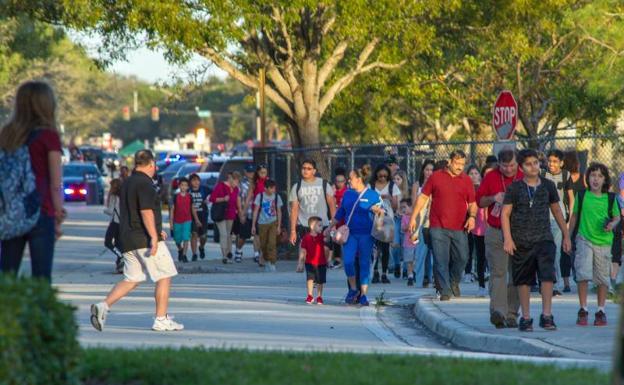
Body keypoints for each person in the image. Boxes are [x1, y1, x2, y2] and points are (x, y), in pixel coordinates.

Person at [90, 150, 183, 332]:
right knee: (165, 275)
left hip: (127, 238)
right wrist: (154, 237)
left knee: (132, 278)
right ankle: (161, 319)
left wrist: (157, 230)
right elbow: (145, 211)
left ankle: (104, 305)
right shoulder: (145, 184)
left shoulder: (128, 183)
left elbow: (134, 211)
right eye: (155, 165)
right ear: (150, 164)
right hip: (144, 239)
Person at [0, 81, 66, 282]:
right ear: (47, 104)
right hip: (40, 211)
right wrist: (57, 213)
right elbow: (56, 183)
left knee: (7, 274)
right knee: (41, 278)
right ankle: (40, 313)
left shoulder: (7, 134)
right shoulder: (49, 136)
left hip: (11, 210)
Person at [501, 149, 571, 332]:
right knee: (523, 281)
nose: (534, 166)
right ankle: (525, 317)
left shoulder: (548, 185)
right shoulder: (514, 188)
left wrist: (566, 234)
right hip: (521, 241)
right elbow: (505, 213)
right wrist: (508, 239)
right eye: (529, 164)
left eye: (536, 163)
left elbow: (557, 211)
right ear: (522, 168)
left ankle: (546, 315)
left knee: (547, 276)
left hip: (544, 239)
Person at [409, 150, 477, 301]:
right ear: (449, 161)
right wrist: (413, 218)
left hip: (459, 227)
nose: (460, 167)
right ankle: (445, 291)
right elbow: (422, 198)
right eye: (457, 163)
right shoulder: (436, 177)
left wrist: (472, 217)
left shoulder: (466, 180)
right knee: (441, 259)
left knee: (462, 257)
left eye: (462, 164)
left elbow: (472, 204)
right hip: (438, 226)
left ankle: (453, 281)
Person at [568, 163, 620, 326]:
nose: (596, 179)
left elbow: (617, 217)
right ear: (587, 178)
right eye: (593, 175)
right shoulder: (582, 195)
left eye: (600, 176)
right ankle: (583, 309)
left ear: (605, 180)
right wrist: (568, 237)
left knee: (602, 278)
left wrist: (612, 224)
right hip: (584, 239)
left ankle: (600, 310)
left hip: (604, 242)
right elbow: (574, 216)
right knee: (582, 274)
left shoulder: (610, 198)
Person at [476, 149, 522, 328]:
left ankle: (512, 313)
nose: (509, 170)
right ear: (498, 164)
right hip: (495, 230)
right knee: (498, 272)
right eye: (505, 166)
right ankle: (498, 312)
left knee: (516, 274)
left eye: (512, 165)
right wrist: (494, 198)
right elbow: (479, 201)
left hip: (518, 231)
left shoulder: (524, 175)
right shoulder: (491, 177)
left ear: (517, 163)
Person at [329, 166, 383, 306]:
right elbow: (340, 212)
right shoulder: (347, 194)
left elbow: (382, 213)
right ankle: (353, 289)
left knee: (364, 263)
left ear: (359, 179)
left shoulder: (372, 194)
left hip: (366, 235)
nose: (348, 180)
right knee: (348, 262)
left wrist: (377, 210)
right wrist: (329, 227)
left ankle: (364, 294)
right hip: (350, 234)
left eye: (351, 178)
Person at [542, 150, 575, 296]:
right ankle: (543, 281)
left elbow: (571, 198)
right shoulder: (542, 174)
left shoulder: (565, 175)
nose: (551, 164)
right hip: (543, 218)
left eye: (555, 161)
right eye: (549, 161)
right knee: (543, 251)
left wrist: (568, 221)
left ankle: (556, 283)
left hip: (558, 218)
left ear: (561, 163)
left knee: (555, 251)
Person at [289, 159, 336, 246]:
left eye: (309, 168)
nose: (305, 170)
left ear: (314, 171)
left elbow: (332, 206)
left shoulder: (324, 184)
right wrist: (293, 231)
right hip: (304, 226)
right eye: (303, 168)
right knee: (305, 254)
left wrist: (333, 225)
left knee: (322, 254)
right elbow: (294, 210)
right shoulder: (296, 187)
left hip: (322, 225)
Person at [370, 164, 401, 284]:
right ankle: (375, 271)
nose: (382, 178)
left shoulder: (392, 186)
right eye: (380, 176)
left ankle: (384, 273)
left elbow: (395, 206)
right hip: (374, 219)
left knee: (385, 247)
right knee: (374, 247)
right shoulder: (371, 186)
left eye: (385, 176)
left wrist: (389, 197)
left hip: (387, 219)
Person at [562, 150, 586, 292]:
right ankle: (577, 274)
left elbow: (571, 203)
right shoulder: (581, 178)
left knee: (568, 248)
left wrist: (569, 222)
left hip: (572, 216)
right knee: (578, 247)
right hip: (580, 217)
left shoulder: (569, 179)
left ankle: (567, 282)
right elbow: (573, 203)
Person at [210, 172, 243, 264]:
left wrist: (239, 212)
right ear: (230, 179)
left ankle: (229, 253)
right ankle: (224, 256)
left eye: (238, 181)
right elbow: (212, 199)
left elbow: (236, 201)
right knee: (223, 234)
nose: (237, 183)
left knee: (228, 234)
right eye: (236, 181)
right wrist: (223, 199)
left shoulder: (236, 189)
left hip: (230, 213)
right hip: (220, 213)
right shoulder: (220, 186)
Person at [412, 159, 435, 288]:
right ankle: (419, 280)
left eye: (431, 170)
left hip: (432, 220)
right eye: (427, 170)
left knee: (432, 253)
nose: (429, 172)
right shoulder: (418, 185)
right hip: (420, 220)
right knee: (421, 252)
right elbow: (414, 203)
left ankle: (430, 278)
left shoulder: (437, 184)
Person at [466, 165, 488, 297]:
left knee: (487, 256)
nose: (474, 176)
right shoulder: (466, 189)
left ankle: (486, 277)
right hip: (471, 225)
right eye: (471, 173)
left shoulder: (485, 188)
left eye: (476, 173)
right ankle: (481, 284)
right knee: (477, 255)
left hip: (485, 225)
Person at [252, 179, 283, 272]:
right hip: (262, 224)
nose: (273, 190)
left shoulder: (277, 197)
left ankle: (272, 263)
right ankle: (266, 260)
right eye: (271, 188)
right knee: (263, 244)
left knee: (272, 243)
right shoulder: (260, 196)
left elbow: (279, 211)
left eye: (274, 188)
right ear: (265, 188)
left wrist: (279, 226)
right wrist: (253, 225)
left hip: (273, 222)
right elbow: (256, 210)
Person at [296, 216, 329, 304]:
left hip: (321, 262)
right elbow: (303, 251)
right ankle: (310, 295)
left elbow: (327, 246)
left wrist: (328, 235)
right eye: (319, 225)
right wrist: (300, 263)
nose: (321, 228)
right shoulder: (306, 238)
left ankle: (319, 296)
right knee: (309, 279)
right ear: (312, 226)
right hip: (309, 262)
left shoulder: (322, 237)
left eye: (322, 226)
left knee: (320, 281)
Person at [233, 164, 256, 262]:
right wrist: (241, 213)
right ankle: (238, 250)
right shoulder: (241, 184)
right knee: (243, 236)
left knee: (257, 235)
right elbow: (238, 199)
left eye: (252, 172)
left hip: (256, 212)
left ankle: (256, 254)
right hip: (246, 212)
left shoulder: (258, 183)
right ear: (245, 172)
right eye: (249, 172)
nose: (251, 174)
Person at [169, 177, 195, 263]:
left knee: (186, 238)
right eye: (182, 185)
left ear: (188, 187)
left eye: (186, 185)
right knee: (177, 240)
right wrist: (171, 223)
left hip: (187, 220)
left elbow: (192, 209)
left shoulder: (190, 197)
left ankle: (184, 255)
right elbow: (172, 210)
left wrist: (197, 220)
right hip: (177, 221)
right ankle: (180, 249)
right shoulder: (176, 197)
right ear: (179, 186)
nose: (184, 187)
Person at [249, 163, 269, 264]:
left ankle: (262, 254)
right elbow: (249, 197)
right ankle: (256, 253)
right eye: (261, 173)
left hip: (267, 211)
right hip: (257, 210)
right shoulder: (255, 183)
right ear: (258, 173)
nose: (263, 175)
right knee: (257, 234)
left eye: (265, 173)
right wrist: (244, 210)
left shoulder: (269, 182)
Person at [188, 174, 210, 261]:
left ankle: (201, 247)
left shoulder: (204, 189)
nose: (196, 182)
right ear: (190, 182)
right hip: (192, 216)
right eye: (193, 180)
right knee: (194, 234)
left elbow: (214, 193)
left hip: (203, 215)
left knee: (203, 236)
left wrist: (208, 199)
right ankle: (194, 254)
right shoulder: (188, 191)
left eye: (197, 180)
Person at [393, 170, 410, 278]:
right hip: (395, 219)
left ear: (403, 180)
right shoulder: (393, 191)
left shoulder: (407, 193)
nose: (395, 181)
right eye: (394, 179)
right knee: (395, 244)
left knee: (405, 245)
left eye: (398, 179)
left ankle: (405, 268)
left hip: (405, 219)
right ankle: (396, 264)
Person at [104, 178, 123, 273]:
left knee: (108, 242)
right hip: (122, 223)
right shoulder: (124, 195)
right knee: (118, 243)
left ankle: (121, 257)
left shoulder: (113, 196)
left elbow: (110, 210)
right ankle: (120, 264)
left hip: (115, 222)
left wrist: (104, 209)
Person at [330, 167, 348, 269]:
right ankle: (337, 259)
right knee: (335, 239)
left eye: (341, 181)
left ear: (345, 181)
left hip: (344, 219)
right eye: (337, 181)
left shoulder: (347, 191)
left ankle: (349, 259)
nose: (339, 183)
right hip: (335, 218)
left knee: (346, 239)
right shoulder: (332, 191)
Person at [400, 198, 419, 286]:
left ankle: (415, 273)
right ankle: (410, 276)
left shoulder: (416, 217)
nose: (403, 210)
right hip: (408, 244)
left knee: (415, 260)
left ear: (411, 207)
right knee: (409, 261)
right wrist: (408, 226)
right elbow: (403, 228)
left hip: (416, 243)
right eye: (402, 208)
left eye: (405, 207)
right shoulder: (404, 217)